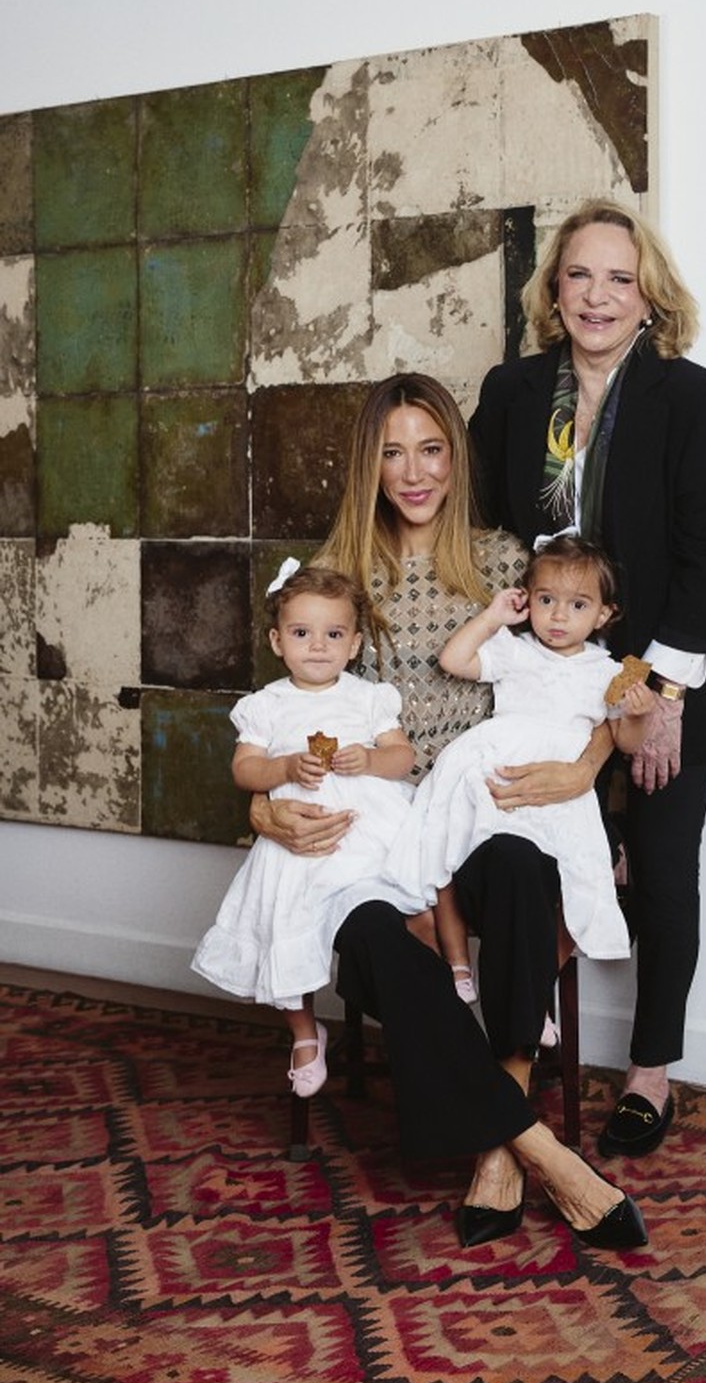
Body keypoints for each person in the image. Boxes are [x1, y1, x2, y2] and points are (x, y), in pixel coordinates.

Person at [248, 375, 639, 1248]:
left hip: (483, 806)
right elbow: (275, 715)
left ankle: (498, 1143)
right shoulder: (333, 572)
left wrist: (582, 771)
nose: (413, 471)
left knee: (510, 867)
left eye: (431, 448)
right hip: (368, 820)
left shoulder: (509, 563)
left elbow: (596, 685)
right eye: (392, 451)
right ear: (369, 463)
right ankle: (536, 1147)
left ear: (455, 456)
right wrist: (268, 816)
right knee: (379, 935)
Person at [469, 198, 706, 1159]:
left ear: (649, 295)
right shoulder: (512, 392)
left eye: (619, 278)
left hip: (657, 674)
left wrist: (662, 697)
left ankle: (649, 1073)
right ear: (555, 289)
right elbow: (483, 525)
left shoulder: (695, 398)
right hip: (545, 677)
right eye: (580, 275)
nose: (598, 295)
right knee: (524, 863)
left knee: (664, 875)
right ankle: (521, 1048)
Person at [385, 535, 657, 1002]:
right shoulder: (516, 649)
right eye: (546, 600)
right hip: (500, 761)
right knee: (450, 843)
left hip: (560, 779)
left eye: (577, 605)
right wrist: (493, 616)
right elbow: (454, 659)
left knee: (583, 872)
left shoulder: (607, 672)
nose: (557, 615)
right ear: (527, 599)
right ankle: (459, 963)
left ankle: (532, 993)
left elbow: (627, 742)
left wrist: (639, 713)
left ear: (604, 615)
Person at [192, 562, 423, 1098]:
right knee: (283, 921)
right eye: (301, 634)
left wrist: (369, 758)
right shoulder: (267, 705)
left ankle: (428, 1011)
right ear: (277, 640)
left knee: (414, 907)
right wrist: (287, 769)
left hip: (365, 833)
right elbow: (244, 770)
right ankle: (304, 1032)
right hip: (296, 840)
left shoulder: (368, 698)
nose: (318, 647)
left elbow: (403, 757)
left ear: (354, 642)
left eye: (334, 634)